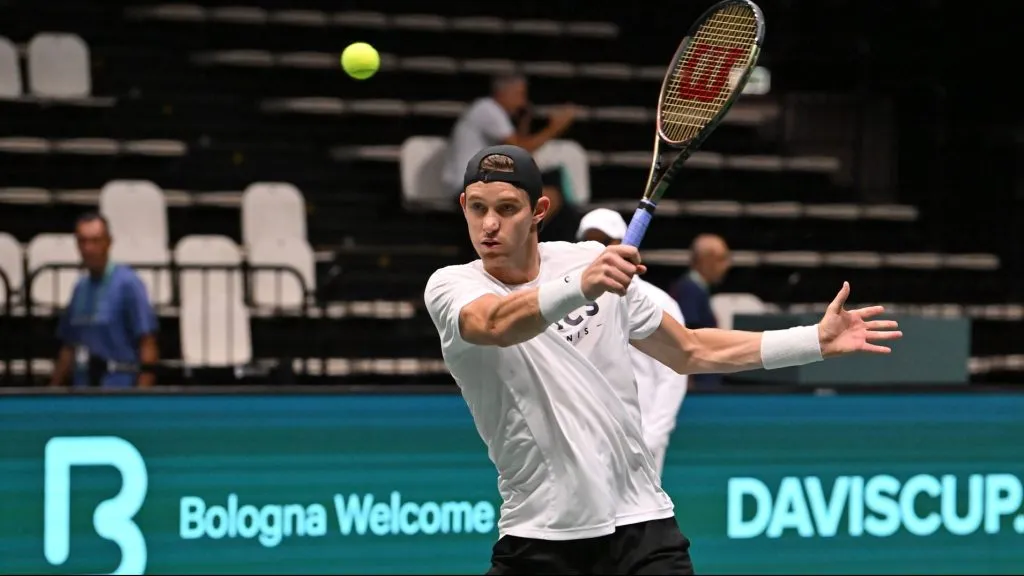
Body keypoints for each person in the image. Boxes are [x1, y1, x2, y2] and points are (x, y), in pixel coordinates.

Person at [423, 144, 901, 575]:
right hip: (540, 534)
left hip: (641, 525)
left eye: (507, 209)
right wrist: (582, 286)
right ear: (464, 205)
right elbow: (494, 324)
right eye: (479, 208)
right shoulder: (453, 285)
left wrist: (812, 340)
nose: (489, 225)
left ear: (538, 211)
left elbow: (690, 350)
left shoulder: (586, 259)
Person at [576, 208, 688, 478]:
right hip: (584, 443)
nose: (596, 249)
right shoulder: (570, 301)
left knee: (640, 520)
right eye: (588, 241)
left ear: (623, 243)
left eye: (604, 241)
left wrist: (651, 438)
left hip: (641, 440)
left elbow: (673, 375)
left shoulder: (659, 302)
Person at [440, 74, 579, 242]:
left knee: (548, 189)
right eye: (520, 95)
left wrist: (524, 121)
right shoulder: (487, 108)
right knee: (549, 196)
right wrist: (556, 127)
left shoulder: (491, 111)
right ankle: (514, 248)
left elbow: (518, 154)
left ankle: (520, 247)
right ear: (503, 93)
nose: (523, 102)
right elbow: (520, 149)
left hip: (482, 182)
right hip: (469, 186)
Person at [50, 212, 160, 388]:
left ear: (108, 242)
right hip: (84, 394)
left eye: (95, 241)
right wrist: (52, 392)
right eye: (83, 241)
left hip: (119, 394)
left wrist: (141, 398)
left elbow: (147, 344)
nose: (88, 248)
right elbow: (68, 347)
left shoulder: (129, 284)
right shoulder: (80, 288)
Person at [669, 233, 732, 388]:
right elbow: (687, 334)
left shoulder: (696, 289)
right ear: (706, 259)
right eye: (722, 259)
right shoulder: (689, 290)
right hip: (698, 382)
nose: (727, 265)